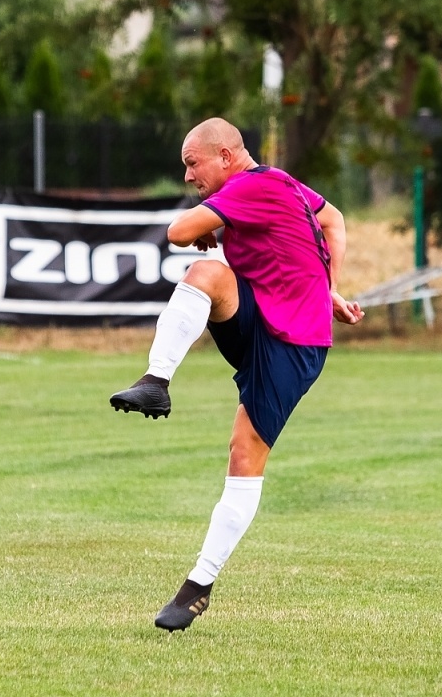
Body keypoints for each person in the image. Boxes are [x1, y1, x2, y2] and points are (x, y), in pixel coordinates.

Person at [107, 118, 364, 631]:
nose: (188, 176)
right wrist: (328, 287)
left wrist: (321, 293)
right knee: (206, 274)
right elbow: (332, 219)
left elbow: (177, 232)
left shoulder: (254, 186)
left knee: (244, 454)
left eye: (192, 164)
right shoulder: (278, 183)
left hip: (293, 344)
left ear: (226, 156)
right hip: (260, 315)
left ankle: (198, 586)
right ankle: (155, 383)